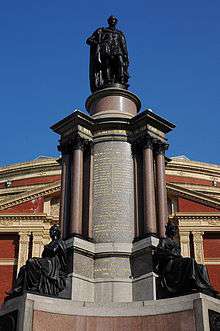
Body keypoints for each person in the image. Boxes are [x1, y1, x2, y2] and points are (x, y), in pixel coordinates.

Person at [155, 221, 218, 298]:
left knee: (202, 267)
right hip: (170, 263)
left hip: (177, 262)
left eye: (174, 230)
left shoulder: (175, 243)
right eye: (172, 229)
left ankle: (206, 287)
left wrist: (175, 254)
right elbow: (160, 251)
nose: (174, 231)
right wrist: (172, 254)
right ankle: (194, 282)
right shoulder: (164, 240)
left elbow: (178, 254)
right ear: (168, 230)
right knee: (190, 261)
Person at [5, 224, 67, 301]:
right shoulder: (52, 243)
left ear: (57, 232)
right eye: (50, 230)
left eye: (52, 230)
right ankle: (17, 289)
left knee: (31, 261)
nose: (50, 232)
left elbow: (53, 250)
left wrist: (47, 247)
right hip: (46, 262)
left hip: (52, 264)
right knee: (23, 268)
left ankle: (34, 285)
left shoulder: (59, 242)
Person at [86, 16, 129, 92]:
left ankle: (121, 80)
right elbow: (89, 40)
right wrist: (98, 43)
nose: (113, 21)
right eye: (111, 20)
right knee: (107, 65)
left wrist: (125, 54)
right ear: (108, 21)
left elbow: (123, 44)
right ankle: (108, 80)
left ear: (116, 22)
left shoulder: (119, 33)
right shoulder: (102, 31)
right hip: (106, 50)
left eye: (114, 20)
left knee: (120, 63)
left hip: (117, 50)